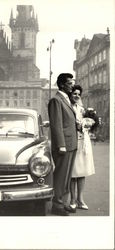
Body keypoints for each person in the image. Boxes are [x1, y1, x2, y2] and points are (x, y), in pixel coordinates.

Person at [48, 73, 78, 216]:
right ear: (61, 85)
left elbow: (67, 121)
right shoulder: (56, 100)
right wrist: (61, 144)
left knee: (66, 175)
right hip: (63, 145)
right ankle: (57, 205)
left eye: (72, 83)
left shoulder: (66, 99)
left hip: (71, 143)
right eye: (70, 83)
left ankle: (63, 202)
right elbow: (56, 125)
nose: (72, 86)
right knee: (60, 175)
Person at [69, 85, 95, 210]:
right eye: (74, 93)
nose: (77, 96)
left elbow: (89, 123)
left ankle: (80, 199)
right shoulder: (68, 107)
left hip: (83, 143)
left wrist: (88, 124)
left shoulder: (82, 109)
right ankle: (73, 200)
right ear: (70, 94)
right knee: (73, 173)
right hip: (73, 143)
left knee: (82, 172)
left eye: (78, 94)